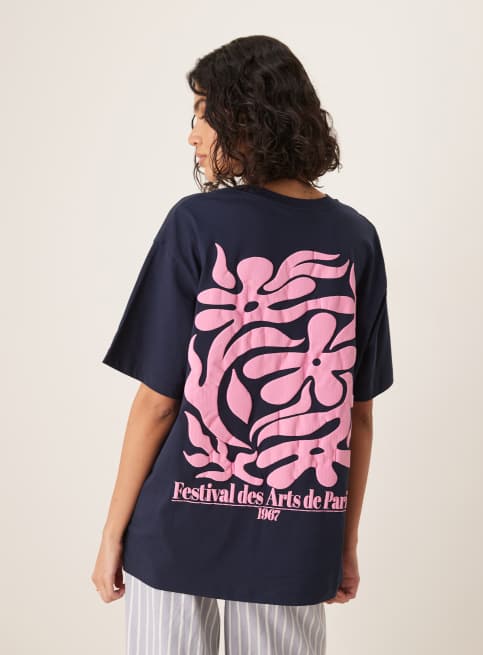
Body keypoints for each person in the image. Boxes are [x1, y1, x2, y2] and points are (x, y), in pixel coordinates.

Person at [91, 35, 394, 655]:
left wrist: (112, 533)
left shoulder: (195, 223)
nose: (192, 136)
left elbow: (158, 402)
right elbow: (356, 414)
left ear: (244, 116)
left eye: (202, 113)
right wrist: (343, 542)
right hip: (297, 539)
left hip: (175, 531)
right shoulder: (357, 240)